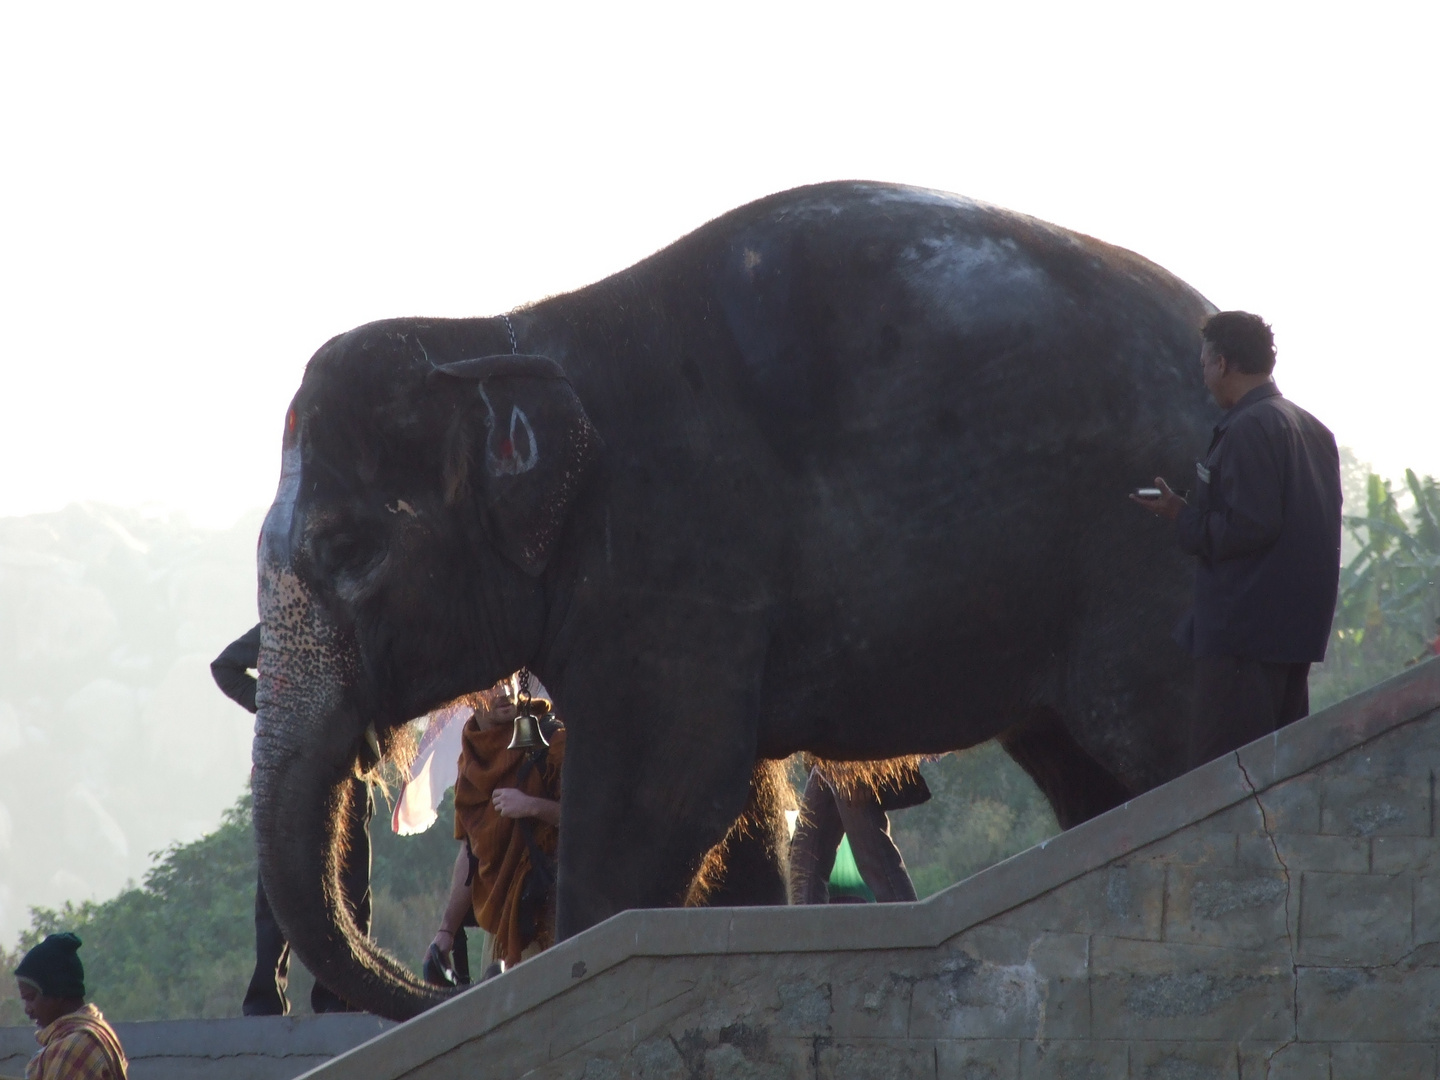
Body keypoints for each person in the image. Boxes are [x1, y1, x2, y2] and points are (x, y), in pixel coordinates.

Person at [1133, 310, 1342, 769]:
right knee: (1277, 777)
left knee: (1226, 784)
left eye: (1205, 362)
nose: (1204, 374)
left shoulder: (1249, 428)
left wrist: (1181, 516)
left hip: (1244, 640)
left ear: (1223, 363)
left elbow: (1250, 526)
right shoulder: (1311, 429)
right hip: (1291, 638)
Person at [210, 624, 372, 1015]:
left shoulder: (359, 613)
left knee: (347, 888)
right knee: (282, 888)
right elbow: (226, 666)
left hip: (346, 769)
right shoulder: (290, 617)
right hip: (293, 770)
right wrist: (271, 705)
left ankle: (336, 997)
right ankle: (275, 999)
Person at [426, 675, 563, 983]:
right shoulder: (470, 761)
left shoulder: (551, 740)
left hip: (555, 919)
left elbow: (592, 822)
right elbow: (471, 850)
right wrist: (446, 930)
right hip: (503, 931)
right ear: (468, 698)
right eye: (492, 683)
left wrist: (532, 806)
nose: (505, 692)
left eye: (511, 680)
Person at [788, 761, 928, 905]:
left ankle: (906, 922)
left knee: (873, 856)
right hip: (828, 758)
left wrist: (861, 770)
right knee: (804, 866)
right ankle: (806, 925)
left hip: (847, 757)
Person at [13, 932, 127, 1079]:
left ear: (57, 993)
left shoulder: (75, 1047)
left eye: (31, 998)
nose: (28, 1009)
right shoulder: (97, 1032)